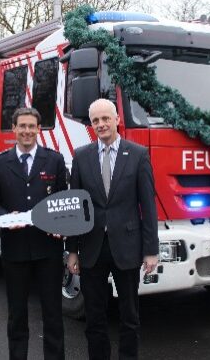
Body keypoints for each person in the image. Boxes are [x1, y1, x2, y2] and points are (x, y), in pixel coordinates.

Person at [66, 98, 159, 360]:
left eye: (106, 118)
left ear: (117, 119)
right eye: (95, 120)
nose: (101, 124)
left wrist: (151, 250)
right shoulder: (81, 156)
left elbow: (147, 206)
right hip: (92, 248)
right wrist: (71, 250)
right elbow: (76, 207)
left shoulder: (138, 154)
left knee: (129, 316)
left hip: (127, 248)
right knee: (94, 318)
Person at [0, 107, 67, 360]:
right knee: (17, 314)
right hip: (15, 250)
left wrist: (61, 225)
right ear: (14, 129)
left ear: (39, 129)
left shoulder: (54, 160)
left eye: (32, 126)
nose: (27, 131)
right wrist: (3, 216)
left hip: (48, 251)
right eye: (22, 126)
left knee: (53, 314)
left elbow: (64, 201)